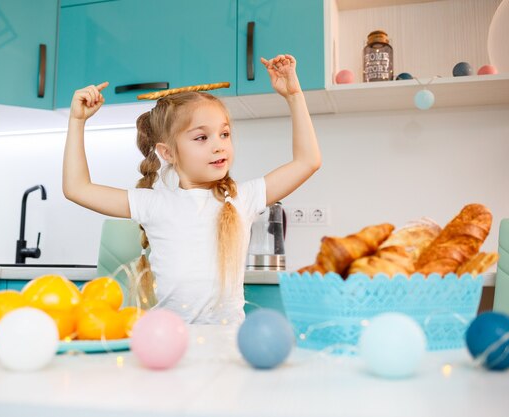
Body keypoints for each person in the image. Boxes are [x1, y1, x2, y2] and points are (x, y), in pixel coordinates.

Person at [63, 54, 321, 324]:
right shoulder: (153, 203)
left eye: (224, 134)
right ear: (168, 153)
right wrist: (77, 121)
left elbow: (308, 161)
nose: (218, 145)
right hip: (169, 342)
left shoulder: (241, 199)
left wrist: (294, 96)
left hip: (226, 344)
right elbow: (76, 188)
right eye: (201, 137)